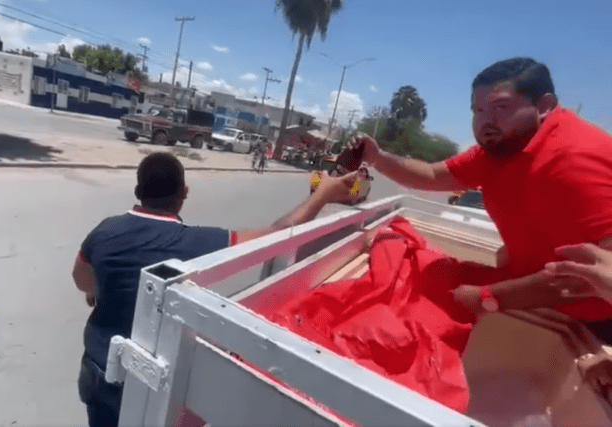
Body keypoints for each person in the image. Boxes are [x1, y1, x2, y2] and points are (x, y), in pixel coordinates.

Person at [71, 152, 360, 427]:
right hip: (141, 387)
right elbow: (279, 234)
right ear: (183, 193)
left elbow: (82, 280)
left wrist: (101, 287)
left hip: (96, 368)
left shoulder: (104, 230)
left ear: (138, 192)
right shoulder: (194, 243)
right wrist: (322, 196)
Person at [347, 57, 612, 338]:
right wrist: (377, 158)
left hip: (590, 325)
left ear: (543, 106)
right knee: (423, 276)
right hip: (529, 290)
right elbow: (434, 175)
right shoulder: (500, 150)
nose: (486, 121)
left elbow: (590, 276)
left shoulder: (573, 159)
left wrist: (489, 297)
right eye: (478, 110)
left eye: (501, 107)